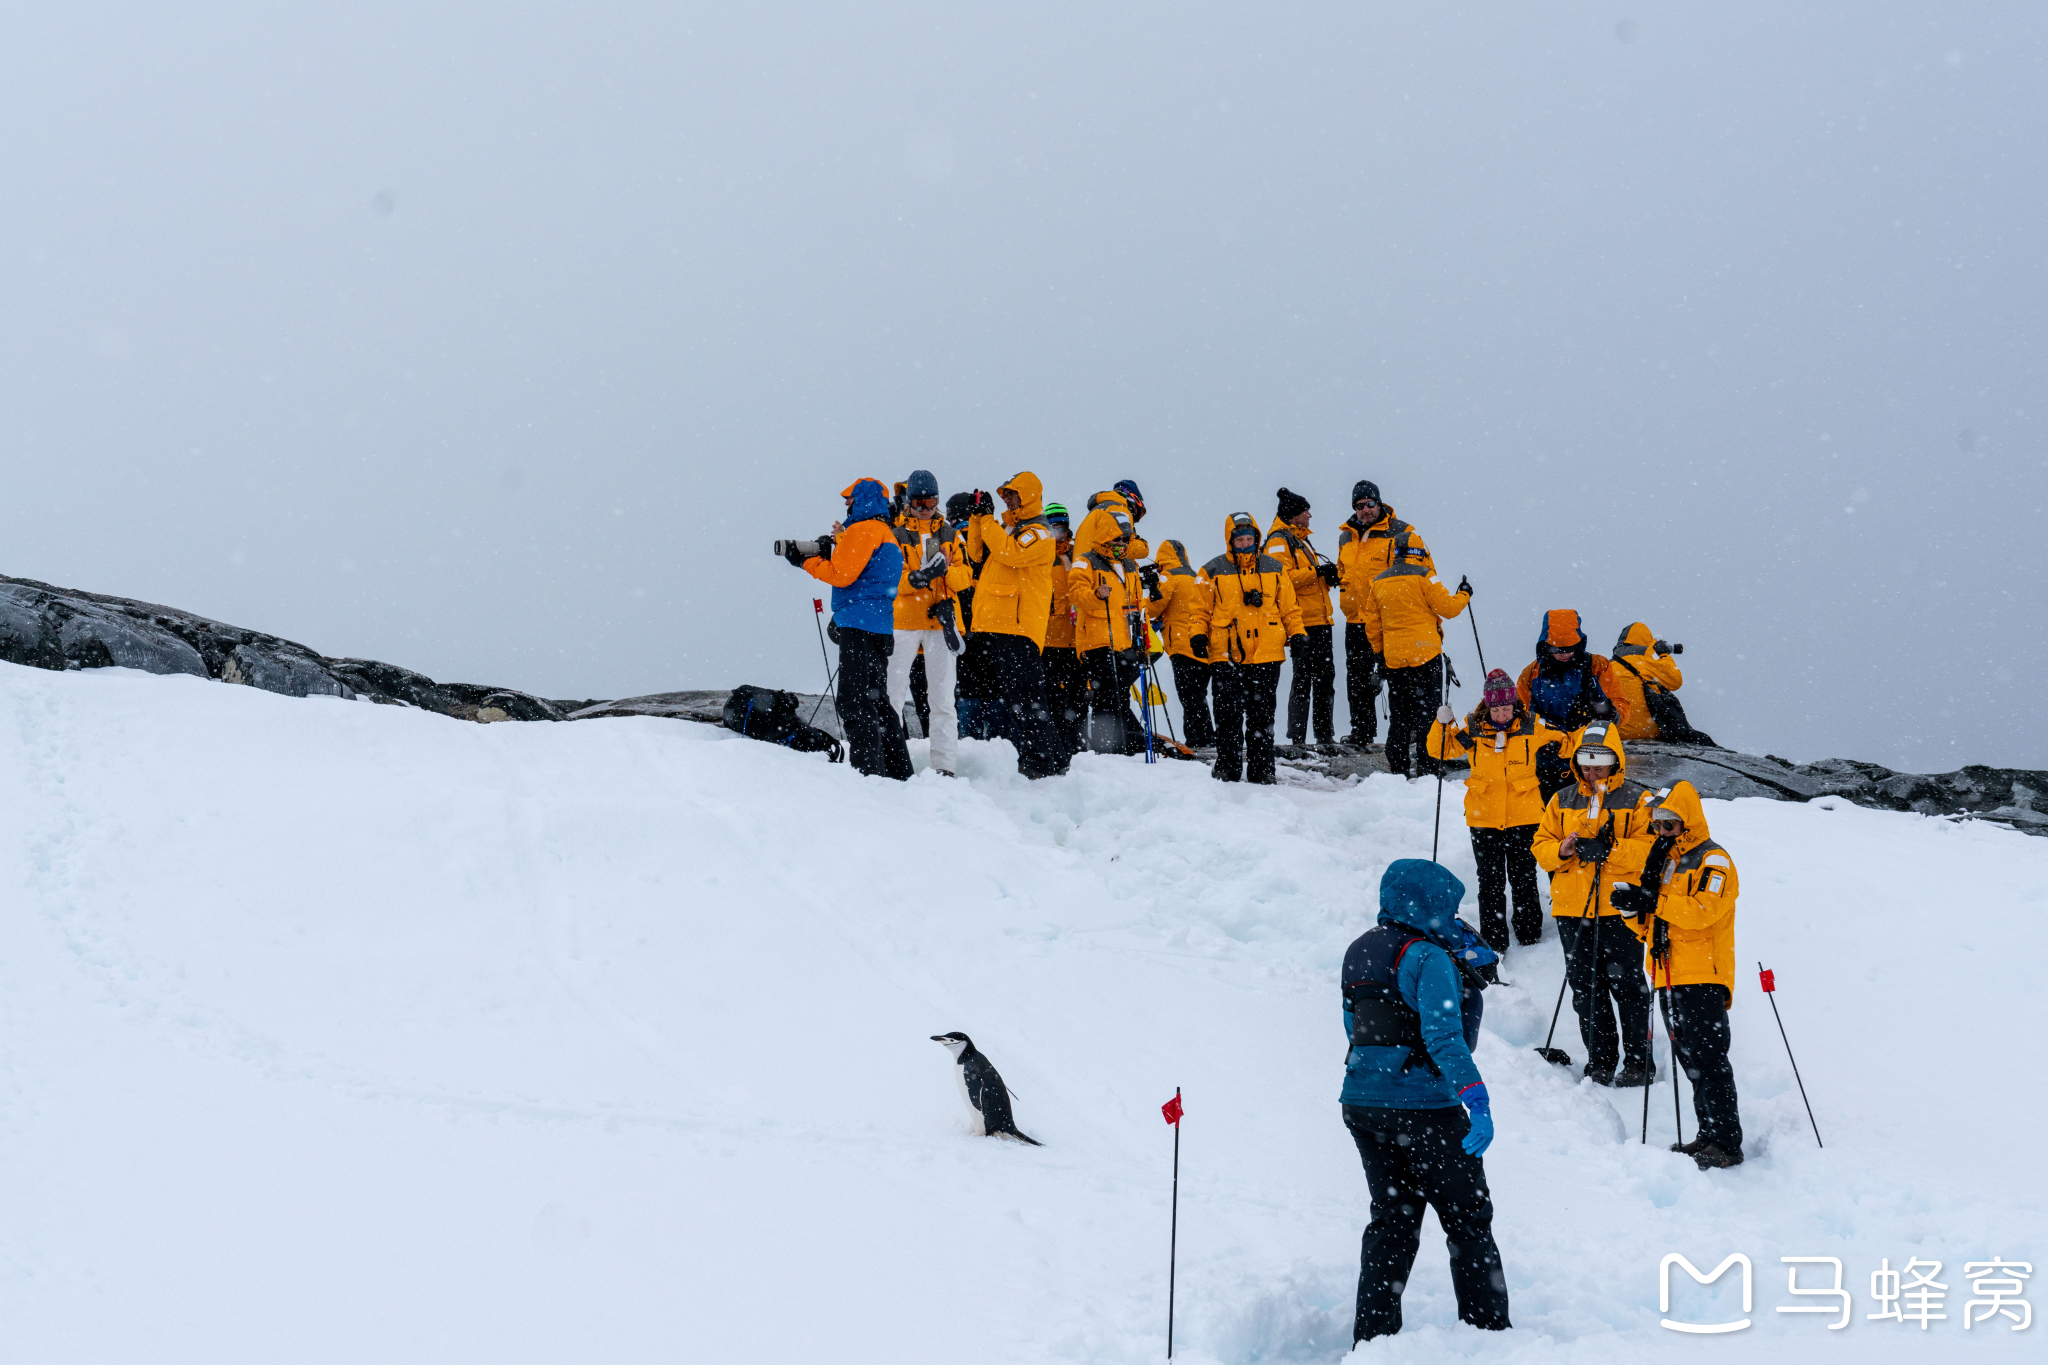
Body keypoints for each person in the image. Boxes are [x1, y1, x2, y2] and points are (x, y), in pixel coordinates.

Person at [1340, 858, 1511, 1344]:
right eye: (1446, 906)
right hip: (1424, 1109)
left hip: (1362, 1104)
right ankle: (1490, 1336)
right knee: (1468, 1221)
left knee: (1392, 1221)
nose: (1451, 917)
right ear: (1428, 904)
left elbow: (1354, 1027)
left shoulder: (1358, 950)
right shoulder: (1427, 957)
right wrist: (1476, 1101)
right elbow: (1445, 1039)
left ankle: (1373, 1341)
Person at [1612, 781, 1745, 1169]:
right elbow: (1656, 924)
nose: (1661, 832)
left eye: (1669, 824)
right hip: (1668, 973)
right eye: (1656, 825)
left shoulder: (1713, 860)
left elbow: (1703, 911)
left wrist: (1653, 899)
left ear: (1687, 822)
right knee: (1691, 1059)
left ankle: (1726, 1142)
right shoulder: (1667, 861)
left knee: (1709, 1059)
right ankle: (1708, 1136)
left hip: (1702, 973)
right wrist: (1632, 910)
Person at [1531, 721, 1662, 1086]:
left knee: (1629, 988)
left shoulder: (1638, 799)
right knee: (1586, 990)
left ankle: (1638, 1064)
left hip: (1620, 909)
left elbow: (1651, 851)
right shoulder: (1561, 798)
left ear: (1615, 762)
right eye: (1586, 766)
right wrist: (1562, 849)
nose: (1591, 773)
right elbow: (1540, 845)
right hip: (1572, 909)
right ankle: (1600, 1063)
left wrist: (1611, 849)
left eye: (1598, 766)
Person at [1427, 670, 1566, 953]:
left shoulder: (1531, 726)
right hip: (1484, 819)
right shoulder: (1472, 728)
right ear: (1487, 706)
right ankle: (1494, 939)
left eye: (1506, 708)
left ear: (1514, 705)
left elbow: (1567, 741)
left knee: (1524, 876)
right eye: (1496, 709)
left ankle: (1529, 934)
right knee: (1489, 880)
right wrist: (1441, 724)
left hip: (1526, 818)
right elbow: (1440, 750)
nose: (1502, 715)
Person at [784, 478, 913, 780]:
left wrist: (807, 561)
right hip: (881, 626)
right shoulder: (886, 534)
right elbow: (864, 572)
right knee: (878, 701)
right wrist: (834, 548)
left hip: (858, 623)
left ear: (864, 500)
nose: (846, 504)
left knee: (854, 701)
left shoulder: (863, 530)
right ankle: (898, 774)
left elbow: (842, 575)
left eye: (850, 499)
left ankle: (867, 773)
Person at [965, 472, 1068, 778]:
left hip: (1020, 626)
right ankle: (1053, 759)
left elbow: (1010, 553)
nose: (1007, 500)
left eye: (1012, 494)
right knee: (1018, 698)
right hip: (1003, 624)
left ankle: (1041, 761)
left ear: (1028, 496)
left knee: (1027, 697)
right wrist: (977, 518)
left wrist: (988, 522)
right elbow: (976, 553)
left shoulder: (1038, 531)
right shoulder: (1008, 527)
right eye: (1004, 495)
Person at [1194, 512, 1305, 784]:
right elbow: (1198, 611)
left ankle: (1262, 772)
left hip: (1267, 655)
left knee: (1262, 719)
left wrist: (1298, 634)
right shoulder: (1211, 570)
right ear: (1230, 541)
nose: (1245, 543)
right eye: (1240, 539)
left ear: (1256, 538)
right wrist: (1197, 634)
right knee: (1228, 716)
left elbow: (1289, 608)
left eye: (1249, 538)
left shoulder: (1274, 567)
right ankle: (1227, 770)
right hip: (1225, 655)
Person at [1360, 529, 1470, 779]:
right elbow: (1449, 609)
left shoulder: (1378, 581)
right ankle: (1428, 764)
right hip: (1426, 657)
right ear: (1420, 552)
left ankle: (1398, 765)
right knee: (1429, 713)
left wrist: (1380, 654)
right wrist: (1465, 593)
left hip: (1396, 659)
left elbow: (1372, 625)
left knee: (1400, 713)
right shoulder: (1424, 576)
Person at [886, 470, 973, 776]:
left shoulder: (950, 534)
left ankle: (944, 767)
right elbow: (890, 579)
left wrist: (944, 573)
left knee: (942, 698)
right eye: (918, 501)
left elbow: (966, 576)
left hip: (941, 622)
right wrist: (918, 578)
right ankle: (891, 760)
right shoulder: (895, 536)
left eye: (931, 500)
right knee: (892, 694)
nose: (924, 507)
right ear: (908, 502)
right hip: (904, 622)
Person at [1334, 481, 1412, 750]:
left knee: (1398, 674)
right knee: (1357, 677)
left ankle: (1408, 730)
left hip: (1389, 619)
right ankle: (1362, 731)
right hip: (1355, 619)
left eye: (1370, 504)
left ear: (1379, 503)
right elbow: (1343, 570)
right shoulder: (1346, 535)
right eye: (1359, 506)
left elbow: (1411, 574)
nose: (1365, 510)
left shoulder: (1401, 532)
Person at [1265, 487, 1339, 755]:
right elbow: (1281, 579)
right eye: (1305, 510)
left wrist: (1325, 578)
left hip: (1319, 619)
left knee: (1324, 679)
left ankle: (1324, 736)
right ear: (1293, 515)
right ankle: (1298, 737)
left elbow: (1302, 577)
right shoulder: (1278, 541)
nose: (1310, 514)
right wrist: (1317, 571)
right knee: (1304, 679)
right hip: (1302, 621)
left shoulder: (1300, 540)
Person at [1069, 499, 1140, 754]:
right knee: (1105, 697)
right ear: (1105, 538)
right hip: (1097, 641)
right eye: (1117, 540)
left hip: (1125, 641)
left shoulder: (1130, 565)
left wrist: (1139, 638)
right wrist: (1096, 595)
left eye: (1125, 540)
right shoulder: (1085, 561)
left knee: (1122, 695)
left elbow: (1136, 603)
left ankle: (1124, 745)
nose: (1121, 545)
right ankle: (1105, 748)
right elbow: (1076, 595)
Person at [1142, 539, 1216, 748]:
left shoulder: (1167, 577)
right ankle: (1205, 737)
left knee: (1189, 696)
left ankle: (1198, 740)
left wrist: (1146, 598)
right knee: (1199, 694)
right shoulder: (1196, 576)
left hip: (1182, 644)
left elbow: (1152, 609)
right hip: (1202, 642)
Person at [949, 492, 1007, 742]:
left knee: (973, 692)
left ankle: (975, 748)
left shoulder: (952, 542)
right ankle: (996, 749)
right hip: (984, 628)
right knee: (985, 691)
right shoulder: (995, 537)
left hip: (974, 628)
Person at [1516, 610, 1630, 733]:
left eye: (1570, 648)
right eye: (1558, 649)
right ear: (1545, 646)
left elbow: (1621, 705)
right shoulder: (1531, 674)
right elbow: (1519, 714)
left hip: (1589, 742)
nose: (1565, 654)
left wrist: (1613, 715)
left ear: (1579, 643)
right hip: (1547, 743)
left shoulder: (1598, 666)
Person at [1608, 623, 1716, 746]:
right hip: (1646, 732)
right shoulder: (1646, 655)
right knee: (1698, 738)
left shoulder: (1610, 665)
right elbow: (1675, 681)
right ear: (1646, 639)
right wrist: (1663, 654)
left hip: (1618, 732)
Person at [1039, 504, 1086, 756]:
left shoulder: (1079, 555)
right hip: (1048, 642)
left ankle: (1078, 748)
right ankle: (1058, 749)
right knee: (1053, 701)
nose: (1059, 533)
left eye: (1062, 528)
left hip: (1077, 641)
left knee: (1079, 700)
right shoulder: (1042, 556)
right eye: (1054, 528)